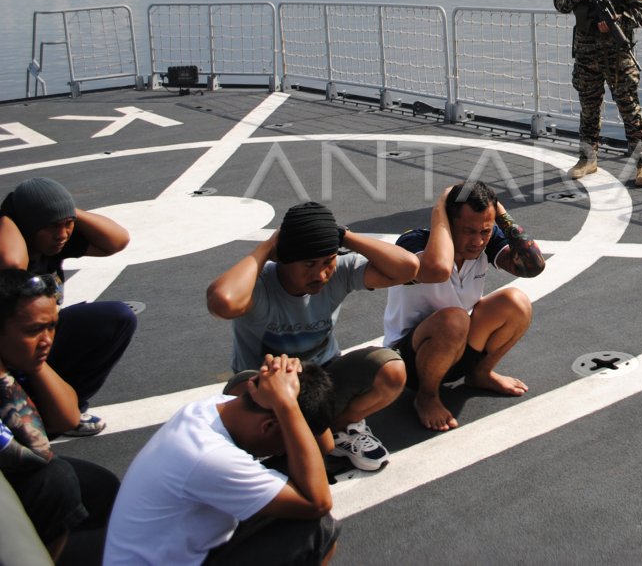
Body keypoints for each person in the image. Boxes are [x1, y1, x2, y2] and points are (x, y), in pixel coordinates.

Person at [206, 201, 419, 472]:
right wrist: (265, 248)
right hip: (264, 383)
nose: (320, 274)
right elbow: (222, 302)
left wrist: (344, 236)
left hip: (320, 378)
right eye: (308, 264)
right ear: (282, 258)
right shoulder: (259, 285)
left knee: (392, 369)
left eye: (327, 262)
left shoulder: (340, 270)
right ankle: (273, 443)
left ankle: (341, 426)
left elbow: (408, 267)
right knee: (240, 391)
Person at [104, 354, 340, 566]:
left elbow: (323, 446)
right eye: (282, 444)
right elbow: (317, 503)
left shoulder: (210, 409)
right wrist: (287, 404)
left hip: (178, 549)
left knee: (299, 474)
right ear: (268, 426)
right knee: (316, 531)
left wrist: (292, 386)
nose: (280, 452)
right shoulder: (209, 456)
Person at [383, 182, 545, 431]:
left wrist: (498, 211)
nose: (477, 241)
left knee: (517, 302)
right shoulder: (412, 242)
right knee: (455, 319)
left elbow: (533, 265)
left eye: (485, 231)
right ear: (448, 222)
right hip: (409, 362)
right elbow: (437, 269)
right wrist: (439, 208)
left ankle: (480, 374)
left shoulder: (483, 243)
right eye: (468, 231)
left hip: (457, 348)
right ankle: (427, 396)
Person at [0, 177, 137, 436]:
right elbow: (12, 266)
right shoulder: (10, 249)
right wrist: (7, 218)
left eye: (68, 225)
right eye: (53, 226)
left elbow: (117, 240)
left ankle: (69, 406)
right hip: (10, 349)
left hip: (36, 336)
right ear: (28, 225)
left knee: (117, 318)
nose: (62, 235)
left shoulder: (51, 242)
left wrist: (66, 210)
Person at [0, 268, 121, 562]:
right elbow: (40, 453)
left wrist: (36, 366)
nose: (46, 340)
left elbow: (66, 419)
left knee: (101, 486)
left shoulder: (19, 353)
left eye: (52, 326)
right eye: (33, 330)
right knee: (56, 480)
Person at [553, 0, 642, 188]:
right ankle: (588, 159)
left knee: (630, 110)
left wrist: (618, 21)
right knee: (589, 110)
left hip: (618, 59)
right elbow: (560, 3)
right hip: (587, 58)